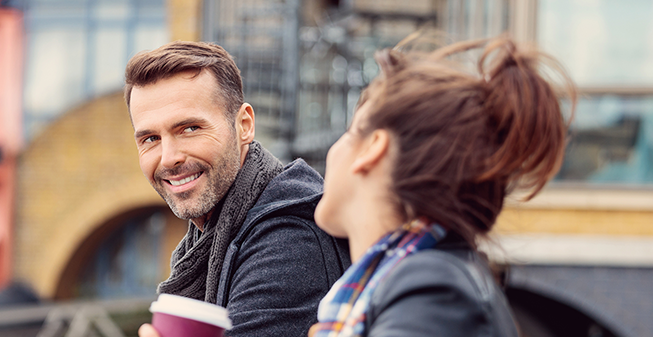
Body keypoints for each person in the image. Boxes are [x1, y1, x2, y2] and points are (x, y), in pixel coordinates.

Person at [309, 35, 576, 337]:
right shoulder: (430, 281)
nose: (335, 149)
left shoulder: (431, 289)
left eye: (349, 131)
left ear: (373, 148)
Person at [124, 41, 350, 337]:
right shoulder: (210, 233)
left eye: (190, 128)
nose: (169, 158)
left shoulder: (289, 240)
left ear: (244, 125)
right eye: (150, 139)